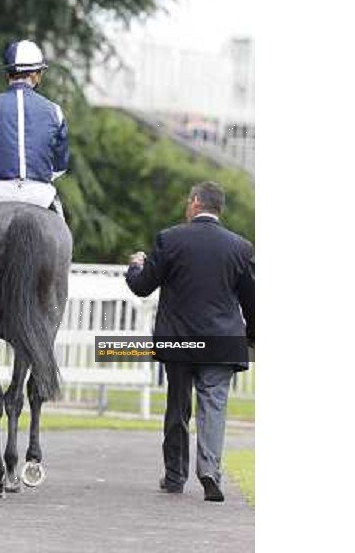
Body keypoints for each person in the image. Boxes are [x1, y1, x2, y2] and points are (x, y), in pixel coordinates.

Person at [125, 181, 255, 502]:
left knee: (178, 407)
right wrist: (252, 336)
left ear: (196, 202)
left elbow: (142, 287)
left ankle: (174, 476)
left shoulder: (170, 239)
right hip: (222, 341)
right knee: (214, 407)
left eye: (188, 200)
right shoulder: (241, 247)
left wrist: (135, 266)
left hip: (179, 340)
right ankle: (209, 471)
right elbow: (252, 300)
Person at [0, 39, 70, 246]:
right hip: (39, 195)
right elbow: (60, 167)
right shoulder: (55, 111)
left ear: (8, 74)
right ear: (36, 74)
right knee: (62, 237)